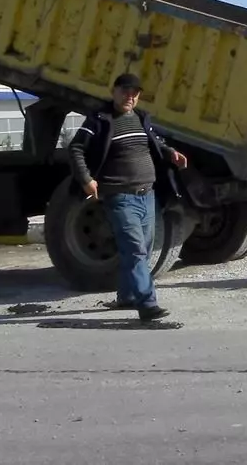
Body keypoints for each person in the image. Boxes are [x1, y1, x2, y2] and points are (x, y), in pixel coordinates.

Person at [68, 73, 189, 320]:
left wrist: (170, 153)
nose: (129, 97)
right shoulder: (100, 120)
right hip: (119, 197)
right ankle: (148, 304)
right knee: (136, 251)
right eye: (124, 91)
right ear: (113, 92)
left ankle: (126, 296)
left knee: (138, 249)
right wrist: (86, 179)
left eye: (134, 93)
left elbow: (155, 142)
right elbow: (76, 147)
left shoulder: (142, 119)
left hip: (148, 195)